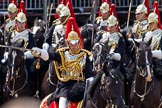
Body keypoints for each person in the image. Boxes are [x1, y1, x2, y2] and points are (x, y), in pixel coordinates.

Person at [32, 17, 95, 108]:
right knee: (63, 105)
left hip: (81, 85)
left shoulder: (85, 55)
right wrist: (40, 52)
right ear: (68, 43)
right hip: (65, 87)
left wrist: (91, 80)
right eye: (71, 43)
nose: (74, 46)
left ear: (79, 42)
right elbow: (50, 56)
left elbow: (89, 73)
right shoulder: (62, 53)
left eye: (76, 43)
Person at [143, 12, 162, 81]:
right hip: (145, 61)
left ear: (156, 22)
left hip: (157, 61)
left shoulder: (160, 34)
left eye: (151, 23)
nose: (149, 25)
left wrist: (151, 53)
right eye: (149, 23)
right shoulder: (146, 35)